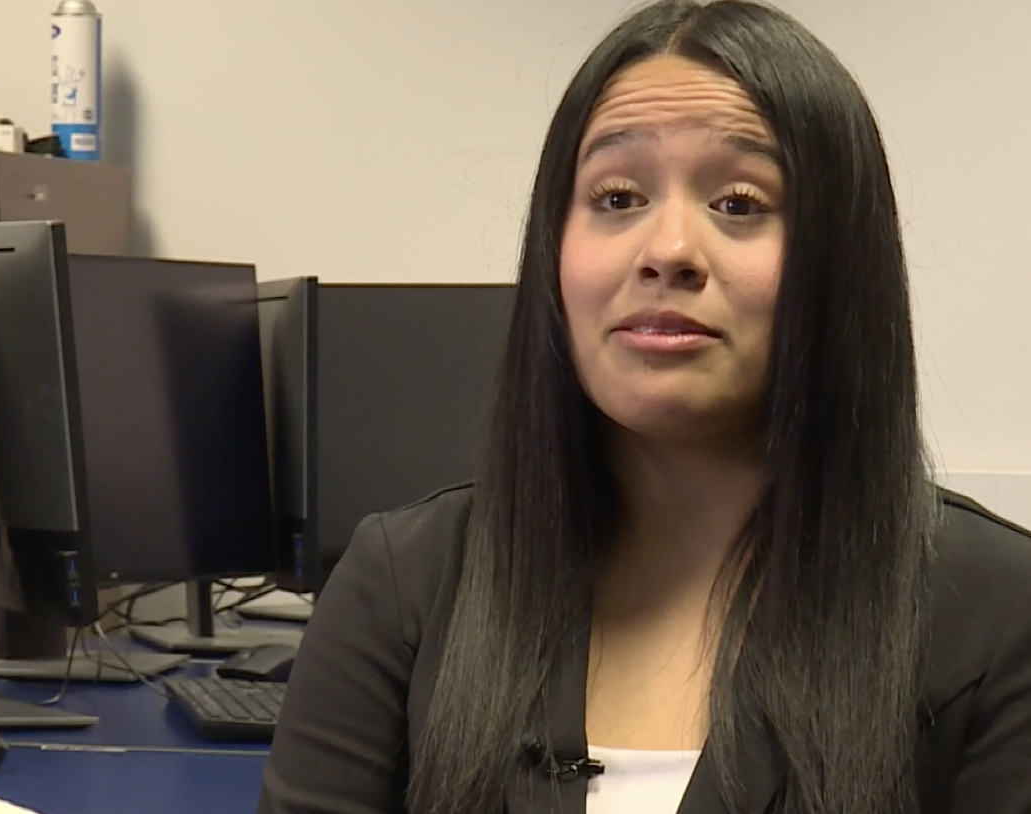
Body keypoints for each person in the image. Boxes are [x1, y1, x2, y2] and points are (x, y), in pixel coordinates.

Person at [256, 1, 1031, 812]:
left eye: (739, 203)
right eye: (618, 197)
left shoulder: (997, 616)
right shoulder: (402, 586)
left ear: (841, 260)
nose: (667, 252)